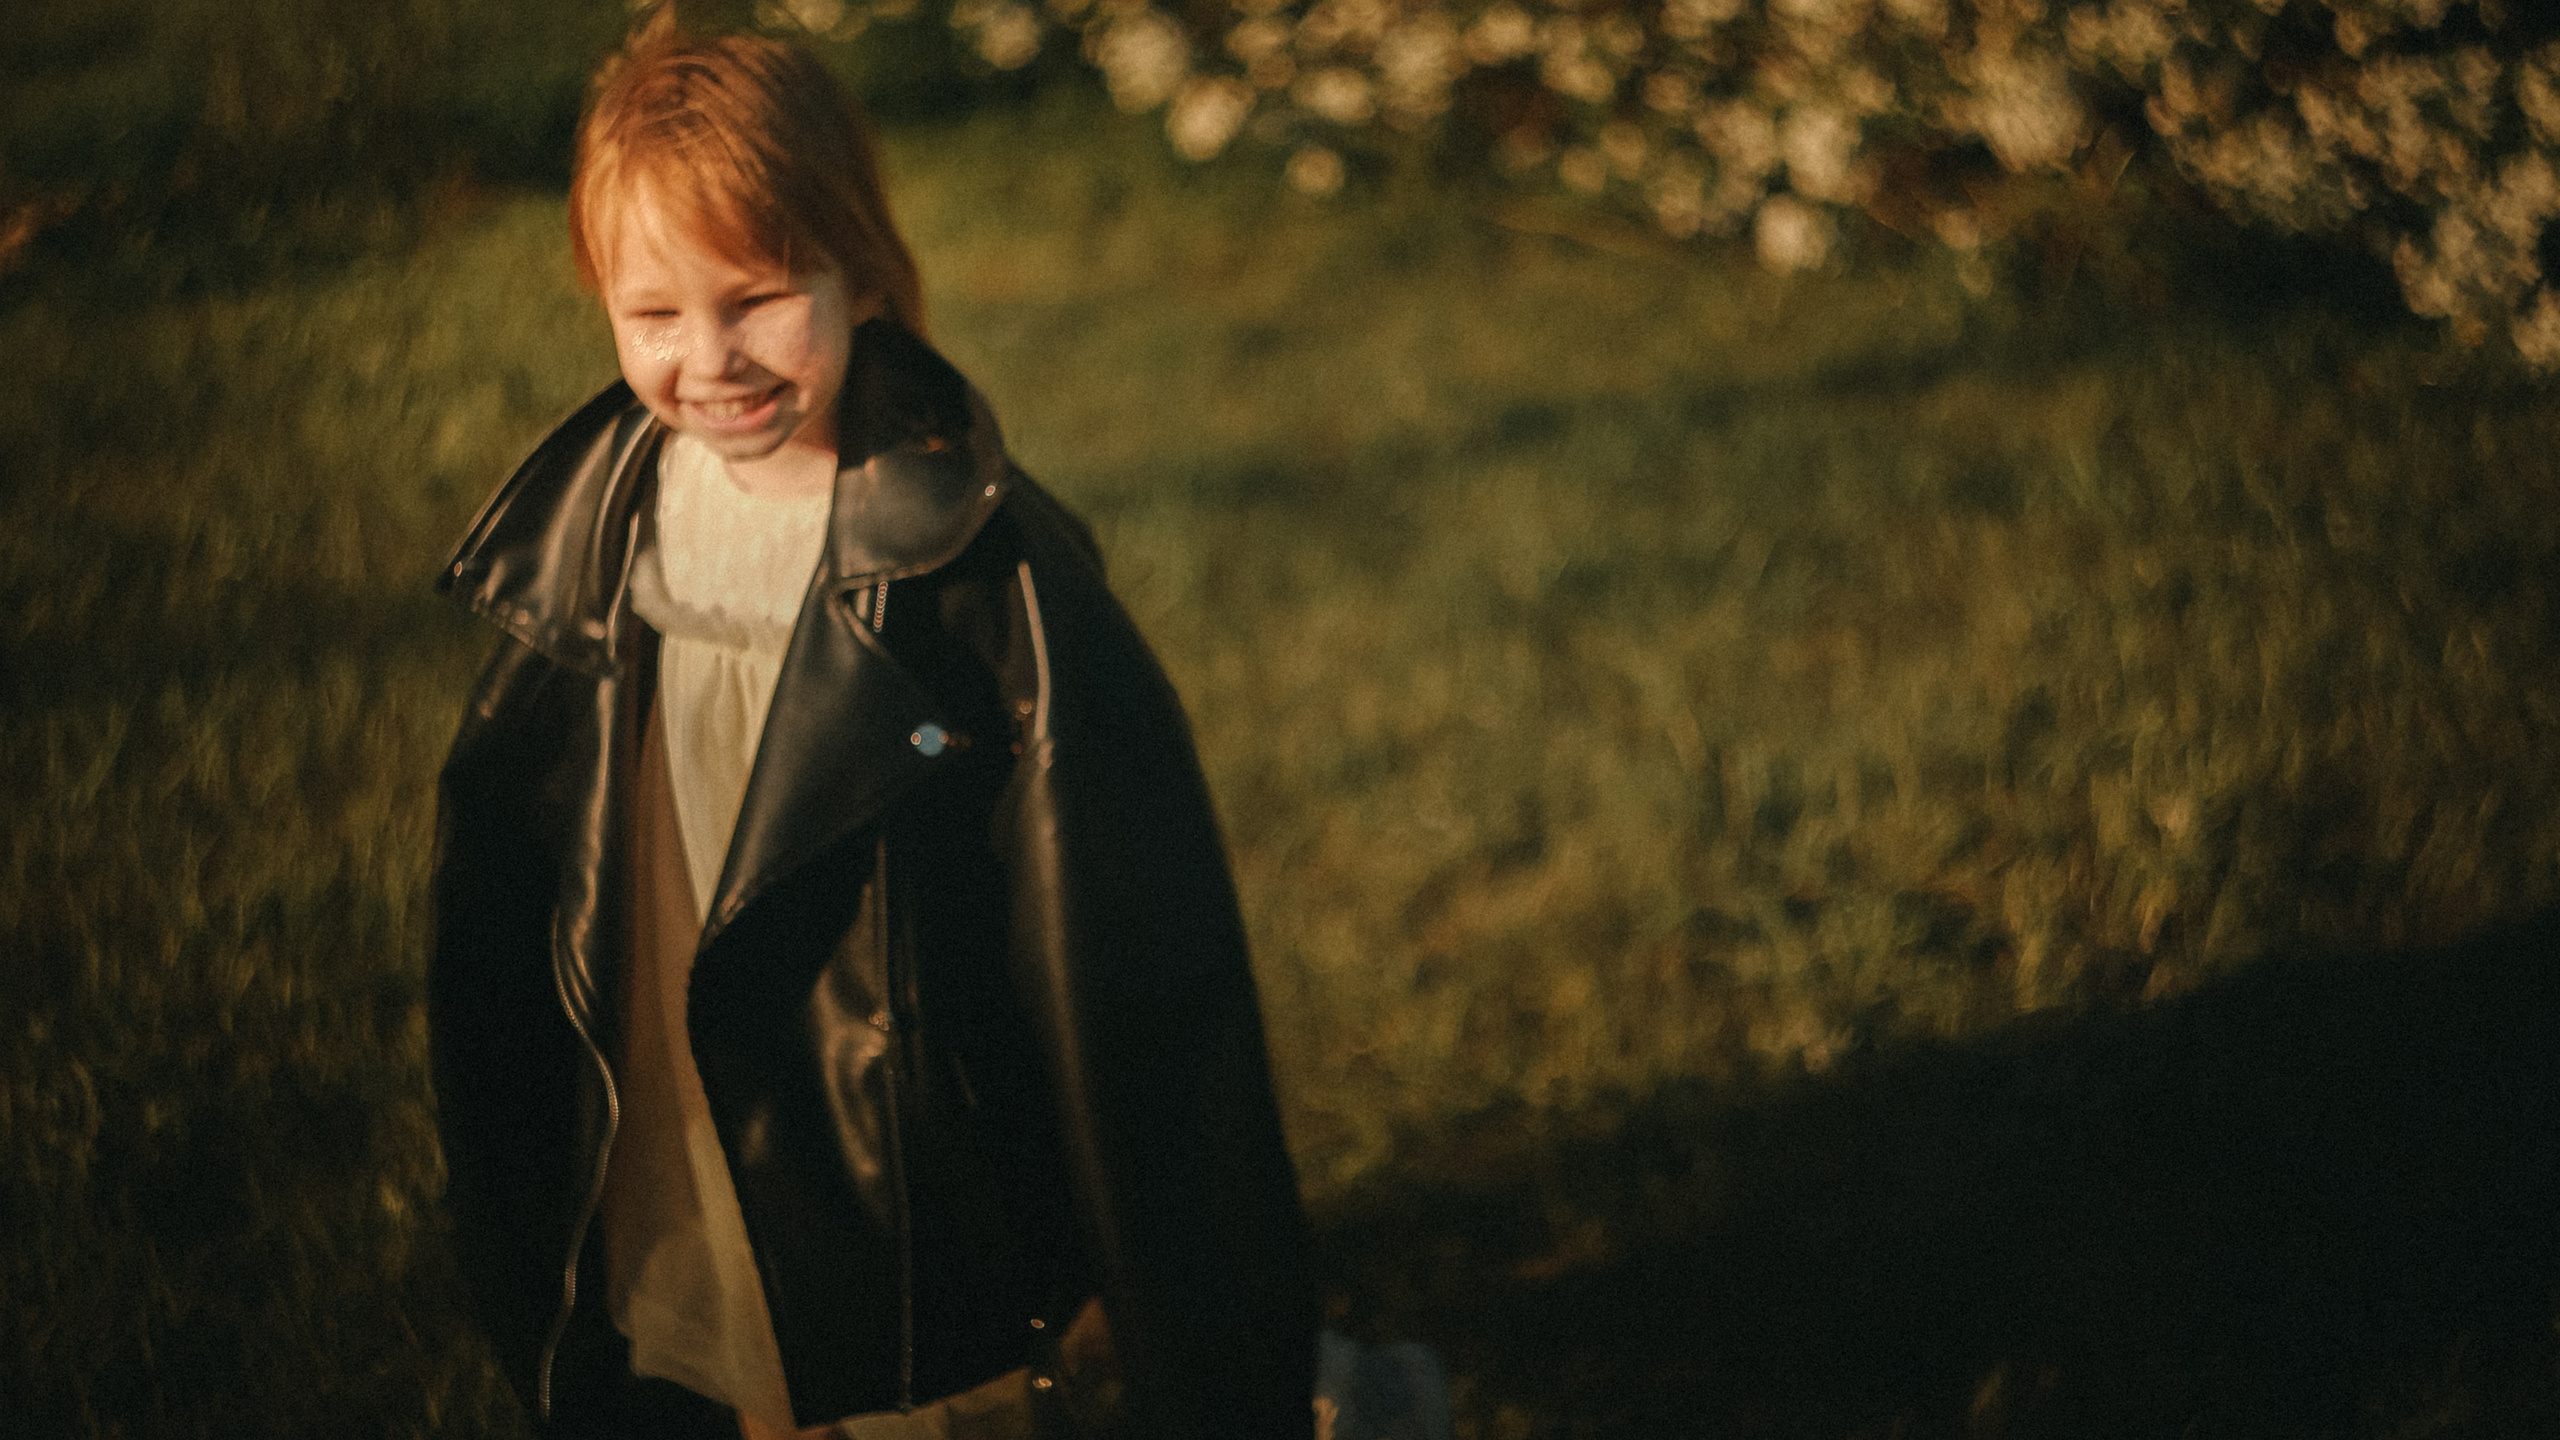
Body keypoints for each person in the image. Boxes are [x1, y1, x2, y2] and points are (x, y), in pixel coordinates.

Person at [427, 13, 1316, 1439]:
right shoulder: (602, 528)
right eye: (654, 317)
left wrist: (1173, 1296)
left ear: (860, 268)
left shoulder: (976, 565)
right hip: (675, 1025)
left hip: (892, 1111)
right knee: (728, 1292)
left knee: (879, 1346)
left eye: (758, 297)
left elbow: (1127, 956)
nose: (710, 360)